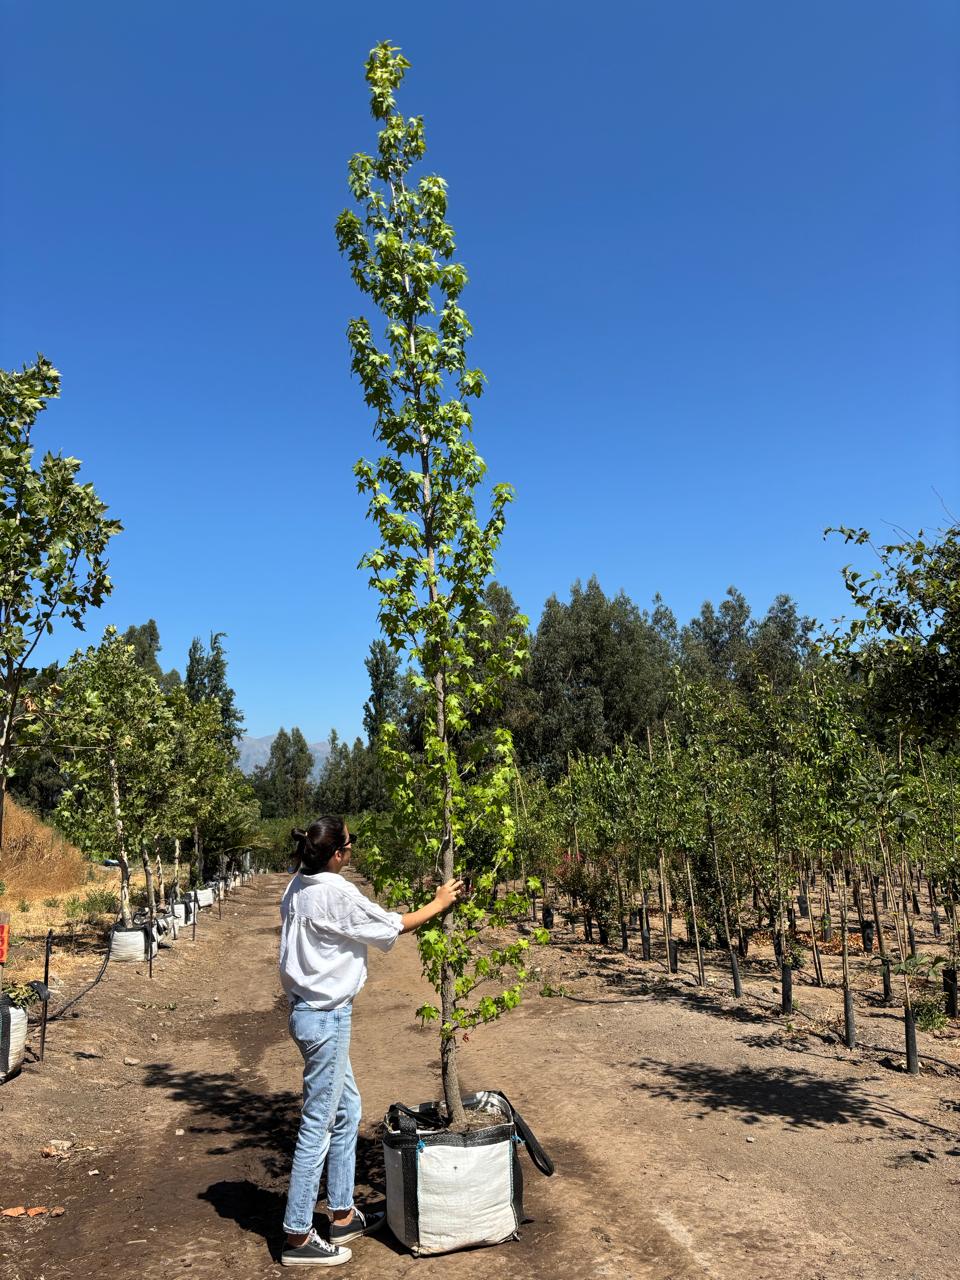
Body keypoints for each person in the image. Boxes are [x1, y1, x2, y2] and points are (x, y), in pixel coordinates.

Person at [279, 816, 463, 1268]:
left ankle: (342, 1214)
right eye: (349, 844)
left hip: (309, 1014)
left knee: (348, 1110)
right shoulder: (334, 891)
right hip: (326, 1019)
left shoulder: (297, 886)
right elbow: (393, 925)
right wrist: (439, 903)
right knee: (318, 1124)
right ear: (338, 854)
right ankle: (297, 1235)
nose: (352, 850)